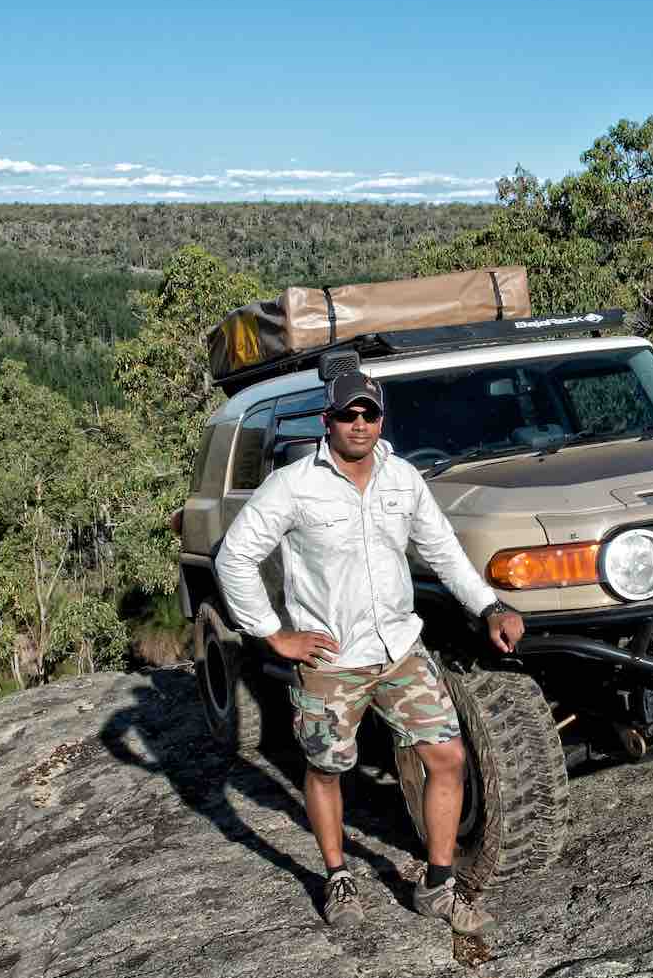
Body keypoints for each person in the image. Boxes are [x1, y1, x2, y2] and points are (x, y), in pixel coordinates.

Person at [214, 370, 525, 933]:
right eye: (347, 415)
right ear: (326, 420)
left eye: (369, 414)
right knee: (327, 769)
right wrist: (272, 632)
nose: (359, 424)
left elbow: (445, 553)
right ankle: (337, 874)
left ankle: (437, 884)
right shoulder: (292, 485)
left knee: (448, 758)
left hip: (402, 648)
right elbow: (233, 557)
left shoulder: (403, 479)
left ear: (381, 419)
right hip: (331, 661)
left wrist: (489, 607)